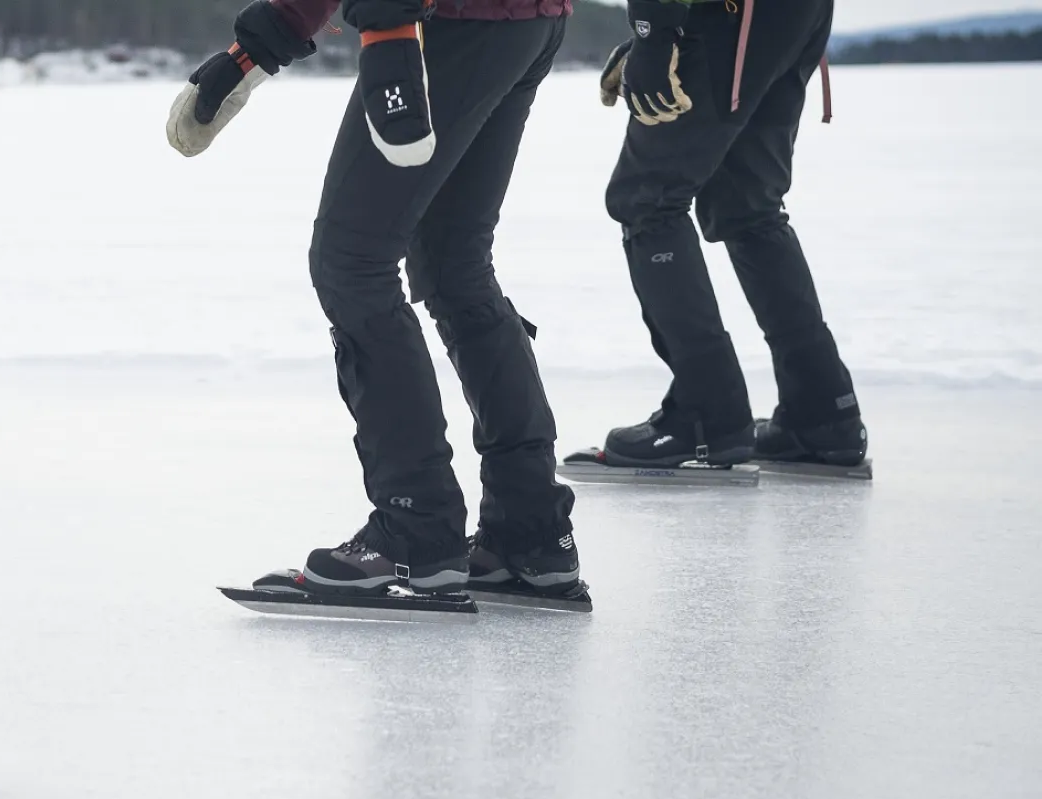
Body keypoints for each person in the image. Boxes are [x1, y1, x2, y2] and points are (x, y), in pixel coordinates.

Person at [167, 0, 588, 608]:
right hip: (522, 20)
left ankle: (416, 529)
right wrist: (258, 46)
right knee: (455, 265)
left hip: (453, 22)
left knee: (351, 262)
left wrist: (390, 24)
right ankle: (531, 535)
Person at [591, 0, 868, 470]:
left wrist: (655, 31)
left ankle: (707, 414)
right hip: (790, 17)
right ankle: (823, 413)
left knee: (648, 201)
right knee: (747, 206)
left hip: (731, 15)